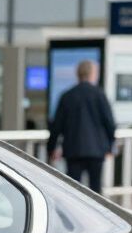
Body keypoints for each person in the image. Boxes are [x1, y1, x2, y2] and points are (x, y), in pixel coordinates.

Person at [46, 60, 116, 195]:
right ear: (93, 74)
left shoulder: (67, 96)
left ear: (78, 74)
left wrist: (51, 149)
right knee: (95, 189)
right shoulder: (99, 95)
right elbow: (109, 123)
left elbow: (57, 126)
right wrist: (110, 145)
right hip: (96, 151)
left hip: (73, 150)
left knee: (73, 190)